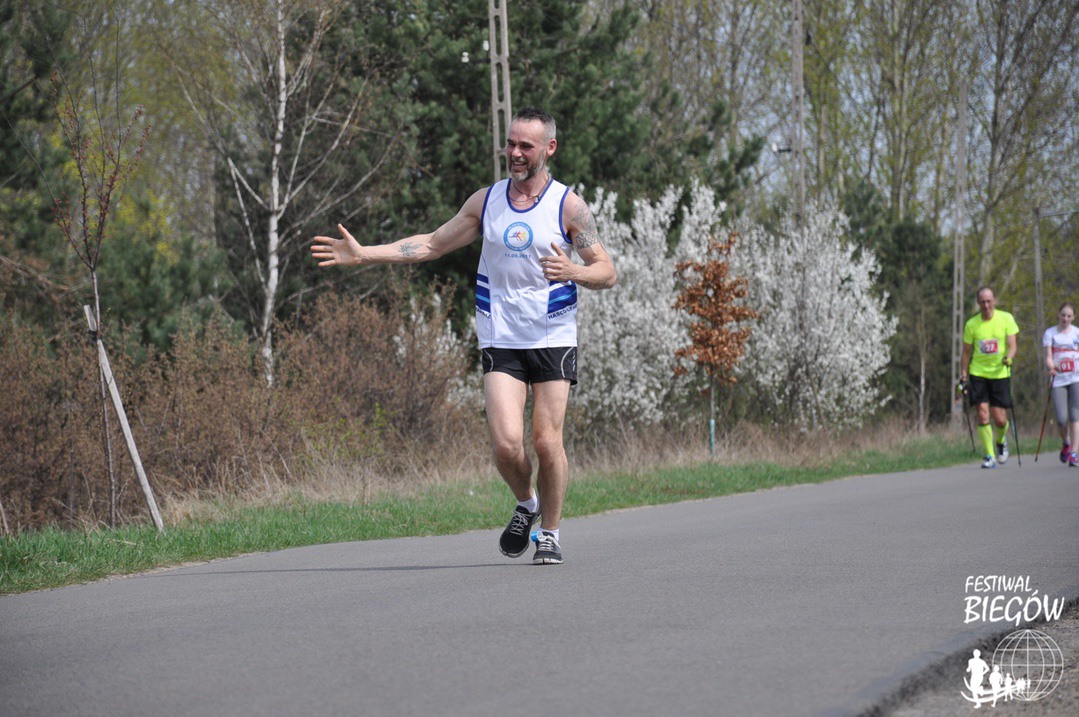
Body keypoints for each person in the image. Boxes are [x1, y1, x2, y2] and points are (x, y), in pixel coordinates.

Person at [310, 107, 617, 565]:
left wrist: (574, 271)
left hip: (553, 333)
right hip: (500, 335)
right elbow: (433, 243)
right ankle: (527, 503)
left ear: (549, 149)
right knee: (506, 444)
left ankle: (550, 534)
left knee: (546, 441)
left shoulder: (567, 206)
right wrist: (365, 254)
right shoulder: (487, 201)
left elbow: (606, 271)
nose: (515, 153)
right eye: (510, 143)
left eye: (526, 146)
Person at [959, 287, 1018, 469]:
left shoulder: (1006, 318)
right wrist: (963, 376)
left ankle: (1000, 441)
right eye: (982, 302)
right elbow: (966, 352)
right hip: (978, 373)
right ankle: (989, 455)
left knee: (1000, 419)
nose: (986, 305)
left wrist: (1009, 358)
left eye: (988, 301)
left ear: (994, 301)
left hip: (999, 373)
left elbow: (1012, 345)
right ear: (978, 303)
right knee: (983, 414)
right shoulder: (972, 324)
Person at [1043, 301, 1079, 466]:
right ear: (1058, 315)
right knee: (1061, 419)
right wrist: (1051, 366)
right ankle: (1066, 442)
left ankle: (1074, 452)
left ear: (1073, 317)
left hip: (1075, 378)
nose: (1065, 318)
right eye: (1063, 315)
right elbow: (1048, 356)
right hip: (1059, 379)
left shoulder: (1077, 333)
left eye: (1069, 316)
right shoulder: (1050, 333)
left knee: (1075, 415)